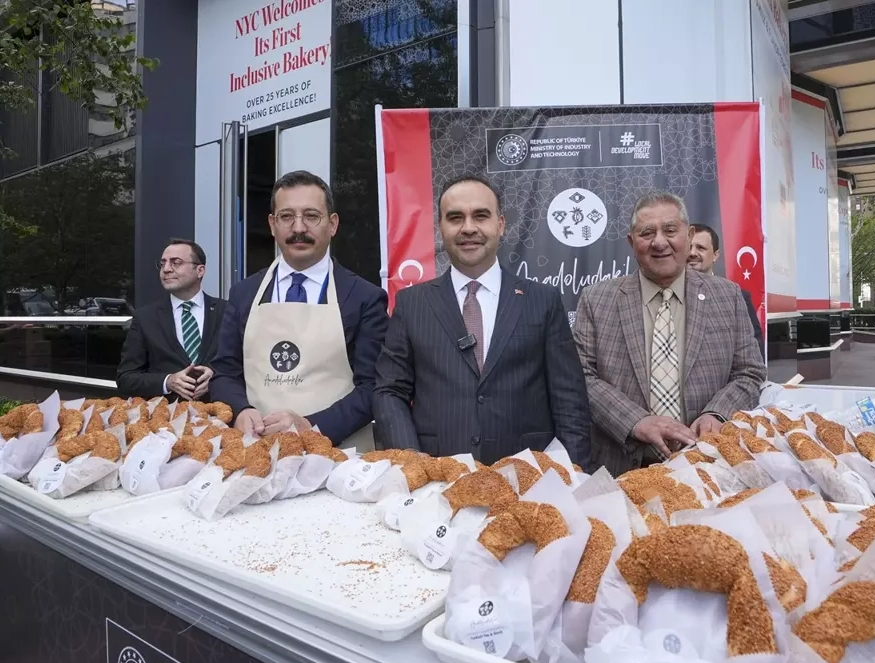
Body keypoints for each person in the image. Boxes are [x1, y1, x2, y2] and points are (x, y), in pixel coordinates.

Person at [372, 175, 591, 468]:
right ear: (440, 227)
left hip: (528, 477)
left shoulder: (542, 300)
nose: (468, 228)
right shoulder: (413, 304)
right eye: (455, 218)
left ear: (500, 224)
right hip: (439, 478)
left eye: (480, 216)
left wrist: (571, 474)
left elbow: (570, 400)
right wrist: (414, 461)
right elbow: (389, 391)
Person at [573, 192, 766, 476]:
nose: (659, 242)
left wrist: (717, 413)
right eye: (647, 233)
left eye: (670, 230)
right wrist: (636, 421)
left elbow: (749, 371)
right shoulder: (597, 299)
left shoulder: (728, 296)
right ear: (631, 242)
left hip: (710, 467)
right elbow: (580, 376)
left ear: (689, 235)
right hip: (621, 469)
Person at [209, 170, 388, 449]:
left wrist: (311, 426)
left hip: (338, 455)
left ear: (333, 224)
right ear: (272, 224)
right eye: (286, 216)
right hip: (256, 449)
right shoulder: (243, 294)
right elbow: (224, 372)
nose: (298, 228)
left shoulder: (364, 298)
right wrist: (240, 409)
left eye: (311, 216)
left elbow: (374, 386)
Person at [117, 239, 225, 401]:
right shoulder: (145, 317)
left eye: (176, 263)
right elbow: (126, 378)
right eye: (162, 264)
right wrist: (168, 381)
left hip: (221, 411)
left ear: (200, 270)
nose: (166, 269)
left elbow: (246, 365)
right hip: (166, 414)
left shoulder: (227, 311)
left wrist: (217, 377)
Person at [687, 223, 764, 354]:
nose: (692, 253)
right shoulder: (667, 293)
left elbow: (754, 350)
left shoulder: (737, 297)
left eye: (701, 248)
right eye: (688, 247)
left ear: (715, 255)